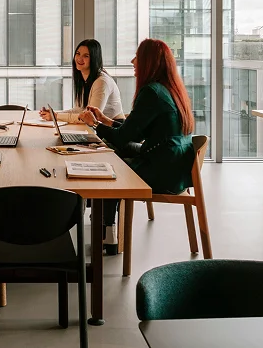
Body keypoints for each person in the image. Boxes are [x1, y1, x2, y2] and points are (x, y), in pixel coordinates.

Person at [79, 39, 195, 255]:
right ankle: (103, 220)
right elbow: (136, 131)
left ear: (149, 62)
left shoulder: (151, 92)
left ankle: (107, 230)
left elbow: (124, 138)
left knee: (108, 167)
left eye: (138, 57)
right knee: (111, 151)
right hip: (174, 165)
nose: (133, 61)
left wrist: (93, 124)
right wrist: (105, 120)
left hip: (162, 171)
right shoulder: (167, 89)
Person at [40, 39, 123, 124]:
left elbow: (90, 118)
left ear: (94, 59)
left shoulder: (102, 82)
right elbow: (79, 110)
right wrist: (54, 114)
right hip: (98, 128)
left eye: (86, 56)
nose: (79, 58)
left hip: (113, 130)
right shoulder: (84, 78)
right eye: (78, 54)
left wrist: (56, 116)